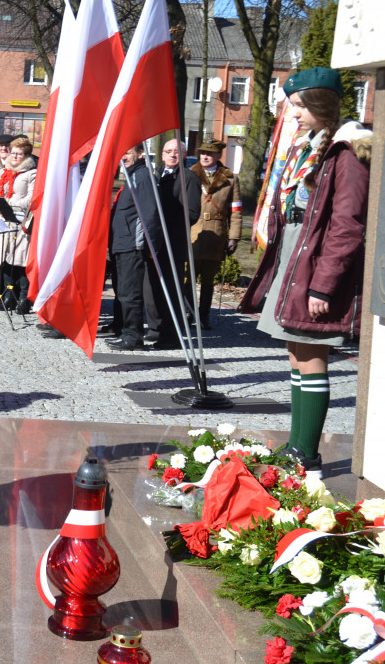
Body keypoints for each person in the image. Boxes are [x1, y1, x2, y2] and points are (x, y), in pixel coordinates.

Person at [239, 66, 370, 477]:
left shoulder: (347, 152)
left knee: (311, 353)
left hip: (316, 264)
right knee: (296, 352)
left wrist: (324, 287)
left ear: (320, 105)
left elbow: (347, 226)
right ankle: (298, 445)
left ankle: (307, 456)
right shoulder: (312, 146)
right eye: (290, 105)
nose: (291, 113)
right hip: (298, 255)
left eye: (298, 106)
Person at [144, 138, 201, 349]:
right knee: (151, 287)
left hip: (173, 242)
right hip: (154, 240)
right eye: (168, 151)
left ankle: (172, 335)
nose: (172, 155)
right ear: (162, 154)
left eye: (177, 151)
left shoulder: (189, 178)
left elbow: (192, 213)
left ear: (184, 154)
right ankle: (155, 328)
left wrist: (167, 224)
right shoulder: (156, 174)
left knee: (171, 287)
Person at [188, 139, 241, 330]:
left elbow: (236, 211)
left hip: (216, 235)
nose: (205, 156)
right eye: (202, 152)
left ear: (219, 155)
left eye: (210, 153)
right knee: (188, 278)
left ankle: (203, 317)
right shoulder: (190, 174)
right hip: (192, 232)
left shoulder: (231, 179)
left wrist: (234, 237)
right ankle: (187, 314)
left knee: (208, 281)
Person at [106, 144, 155, 350]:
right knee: (123, 292)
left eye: (127, 152)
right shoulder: (131, 175)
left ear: (141, 153)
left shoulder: (142, 176)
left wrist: (150, 244)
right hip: (121, 243)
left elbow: (149, 214)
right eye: (121, 152)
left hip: (132, 245)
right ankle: (125, 330)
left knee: (130, 293)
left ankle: (133, 336)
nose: (123, 156)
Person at [0, 137, 37, 313]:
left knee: (20, 259)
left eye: (19, 153)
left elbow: (32, 197)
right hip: (2, 219)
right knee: (5, 258)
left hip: (21, 220)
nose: (15, 156)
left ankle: (23, 297)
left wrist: (9, 205)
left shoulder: (31, 173)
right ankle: (8, 295)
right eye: (13, 152)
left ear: (26, 155)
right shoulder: (2, 172)